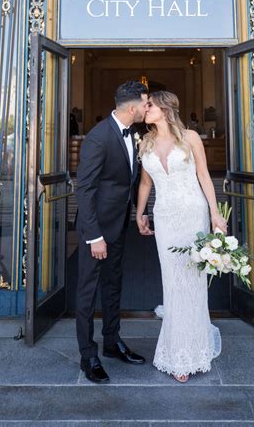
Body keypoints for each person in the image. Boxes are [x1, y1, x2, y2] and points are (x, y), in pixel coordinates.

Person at [136, 90, 227, 383]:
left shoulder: (190, 138)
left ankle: (189, 352)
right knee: (172, 281)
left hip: (192, 213)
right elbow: (145, 183)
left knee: (192, 280)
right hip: (164, 216)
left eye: (148, 105)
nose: (144, 109)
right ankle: (176, 348)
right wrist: (140, 214)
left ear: (163, 108)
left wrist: (215, 214)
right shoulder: (146, 141)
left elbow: (203, 175)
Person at [75, 80, 150, 383]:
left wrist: (136, 213)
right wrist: (94, 237)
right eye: (146, 104)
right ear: (132, 107)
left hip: (119, 225)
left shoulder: (135, 134)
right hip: (95, 230)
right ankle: (87, 355)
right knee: (87, 291)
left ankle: (112, 342)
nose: (148, 108)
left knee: (113, 285)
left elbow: (126, 182)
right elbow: (85, 189)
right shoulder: (98, 137)